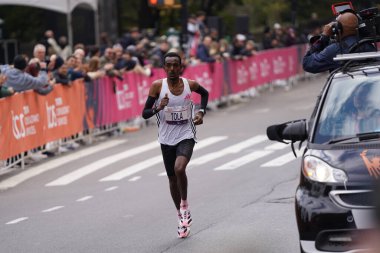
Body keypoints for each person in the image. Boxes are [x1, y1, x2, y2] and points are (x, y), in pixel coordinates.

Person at [142, 52, 209, 238]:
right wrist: (158, 107)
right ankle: (180, 217)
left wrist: (201, 112)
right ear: (164, 68)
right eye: (168, 65)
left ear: (181, 67)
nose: (172, 69)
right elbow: (145, 113)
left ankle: (185, 206)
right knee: (172, 179)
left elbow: (205, 94)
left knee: (180, 169)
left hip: (186, 134)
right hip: (166, 138)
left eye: (175, 65)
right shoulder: (157, 86)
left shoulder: (190, 84)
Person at [303, 11, 376, 73]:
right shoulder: (368, 45)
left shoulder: (334, 50)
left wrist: (324, 37)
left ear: (338, 28)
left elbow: (307, 63)